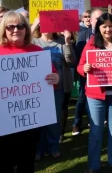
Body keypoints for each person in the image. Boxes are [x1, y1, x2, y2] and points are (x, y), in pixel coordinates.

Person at [0, 11, 59, 173]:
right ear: (4, 30)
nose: (15, 30)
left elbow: (51, 81)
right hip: (4, 121)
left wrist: (55, 78)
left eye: (20, 26)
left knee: (26, 162)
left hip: (29, 121)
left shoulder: (38, 52)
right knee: (5, 162)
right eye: (10, 26)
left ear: (26, 29)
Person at [77, 13, 112, 173]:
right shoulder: (92, 44)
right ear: (98, 28)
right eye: (104, 26)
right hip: (95, 96)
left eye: (111, 26)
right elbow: (80, 66)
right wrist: (84, 69)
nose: (108, 29)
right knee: (96, 131)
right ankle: (93, 165)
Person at [32, 26, 76, 160]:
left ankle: (53, 147)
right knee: (38, 120)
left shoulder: (62, 41)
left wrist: (68, 42)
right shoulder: (34, 41)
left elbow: (71, 61)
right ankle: (39, 149)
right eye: (43, 24)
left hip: (58, 88)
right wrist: (34, 23)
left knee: (54, 119)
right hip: (38, 88)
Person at [72, 8, 103, 136]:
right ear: (90, 20)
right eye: (97, 18)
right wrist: (84, 68)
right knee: (82, 97)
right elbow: (79, 56)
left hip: (103, 75)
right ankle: (76, 123)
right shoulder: (83, 34)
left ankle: (94, 121)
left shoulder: (109, 33)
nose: (100, 21)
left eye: (102, 17)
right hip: (87, 73)